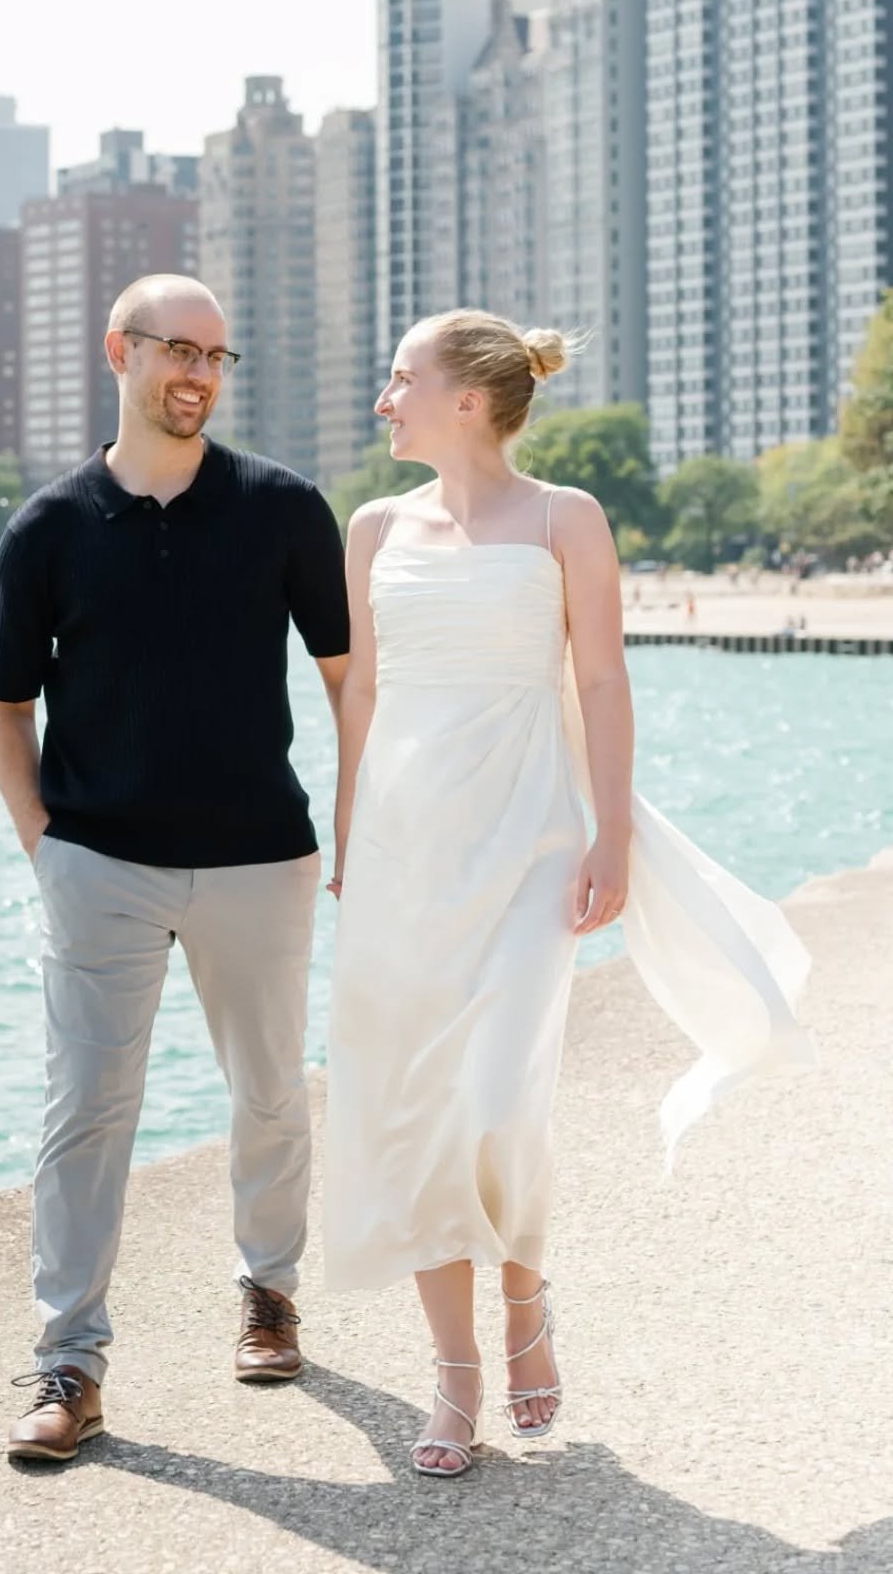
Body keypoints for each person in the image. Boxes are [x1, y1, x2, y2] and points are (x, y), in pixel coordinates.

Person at [323, 309, 811, 1479]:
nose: (384, 401)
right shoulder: (373, 526)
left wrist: (613, 836)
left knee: (498, 1095)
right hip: (403, 853)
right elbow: (362, 693)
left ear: (468, 400)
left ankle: (525, 1297)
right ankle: (454, 1378)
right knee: (415, 1106)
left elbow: (599, 679)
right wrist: (347, 837)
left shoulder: (564, 518)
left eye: (401, 379)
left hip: (531, 838)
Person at [0, 274, 349, 1463]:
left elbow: (349, 680)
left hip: (260, 858)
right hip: (100, 864)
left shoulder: (285, 509)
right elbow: (7, 709)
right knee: (86, 1112)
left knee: (271, 1092)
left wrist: (356, 823)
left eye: (215, 357)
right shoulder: (47, 527)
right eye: (177, 350)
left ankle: (269, 1293)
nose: (198, 374)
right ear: (120, 353)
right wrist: (49, 848)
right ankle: (69, 1365)